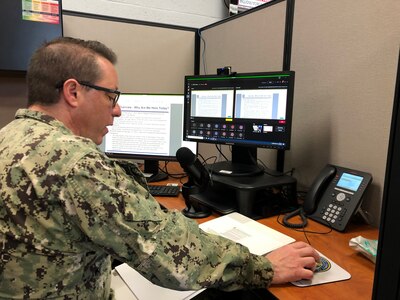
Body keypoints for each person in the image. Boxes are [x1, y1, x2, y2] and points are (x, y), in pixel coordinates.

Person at [0, 37, 319, 299]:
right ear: (73, 92)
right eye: (111, 96)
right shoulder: (75, 164)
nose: (117, 110)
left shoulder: (9, 137)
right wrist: (266, 268)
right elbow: (175, 254)